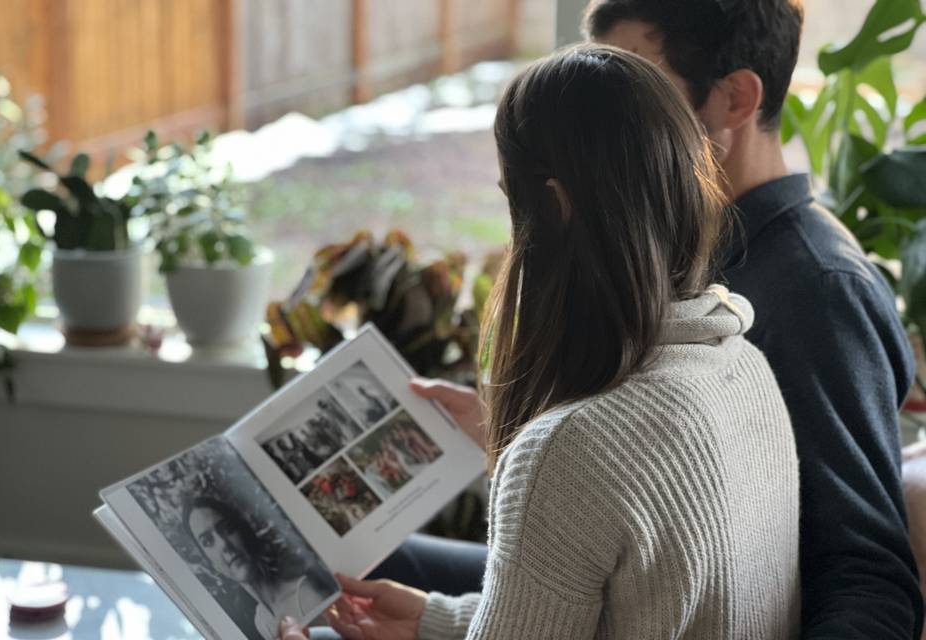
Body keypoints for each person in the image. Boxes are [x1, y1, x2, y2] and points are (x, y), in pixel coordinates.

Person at [368, 2, 924, 638]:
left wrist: (554, 451)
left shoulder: (815, 292)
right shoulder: (723, 319)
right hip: (650, 582)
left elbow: (866, 578)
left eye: (639, 83)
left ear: (735, 100)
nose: (619, 107)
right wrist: (511, 430)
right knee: (369, 565)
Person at [285, 44, 801, 639]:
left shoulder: (571, 449)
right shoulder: (746, 368)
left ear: (555, 206)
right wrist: (434, 623)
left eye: (514, 201)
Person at [183, 496, 334, 640]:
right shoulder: (261, 619)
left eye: (227, 528)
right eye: (208, 541)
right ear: (211, 564)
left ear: (244, 531)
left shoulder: (307, 596)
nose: (223, 544)